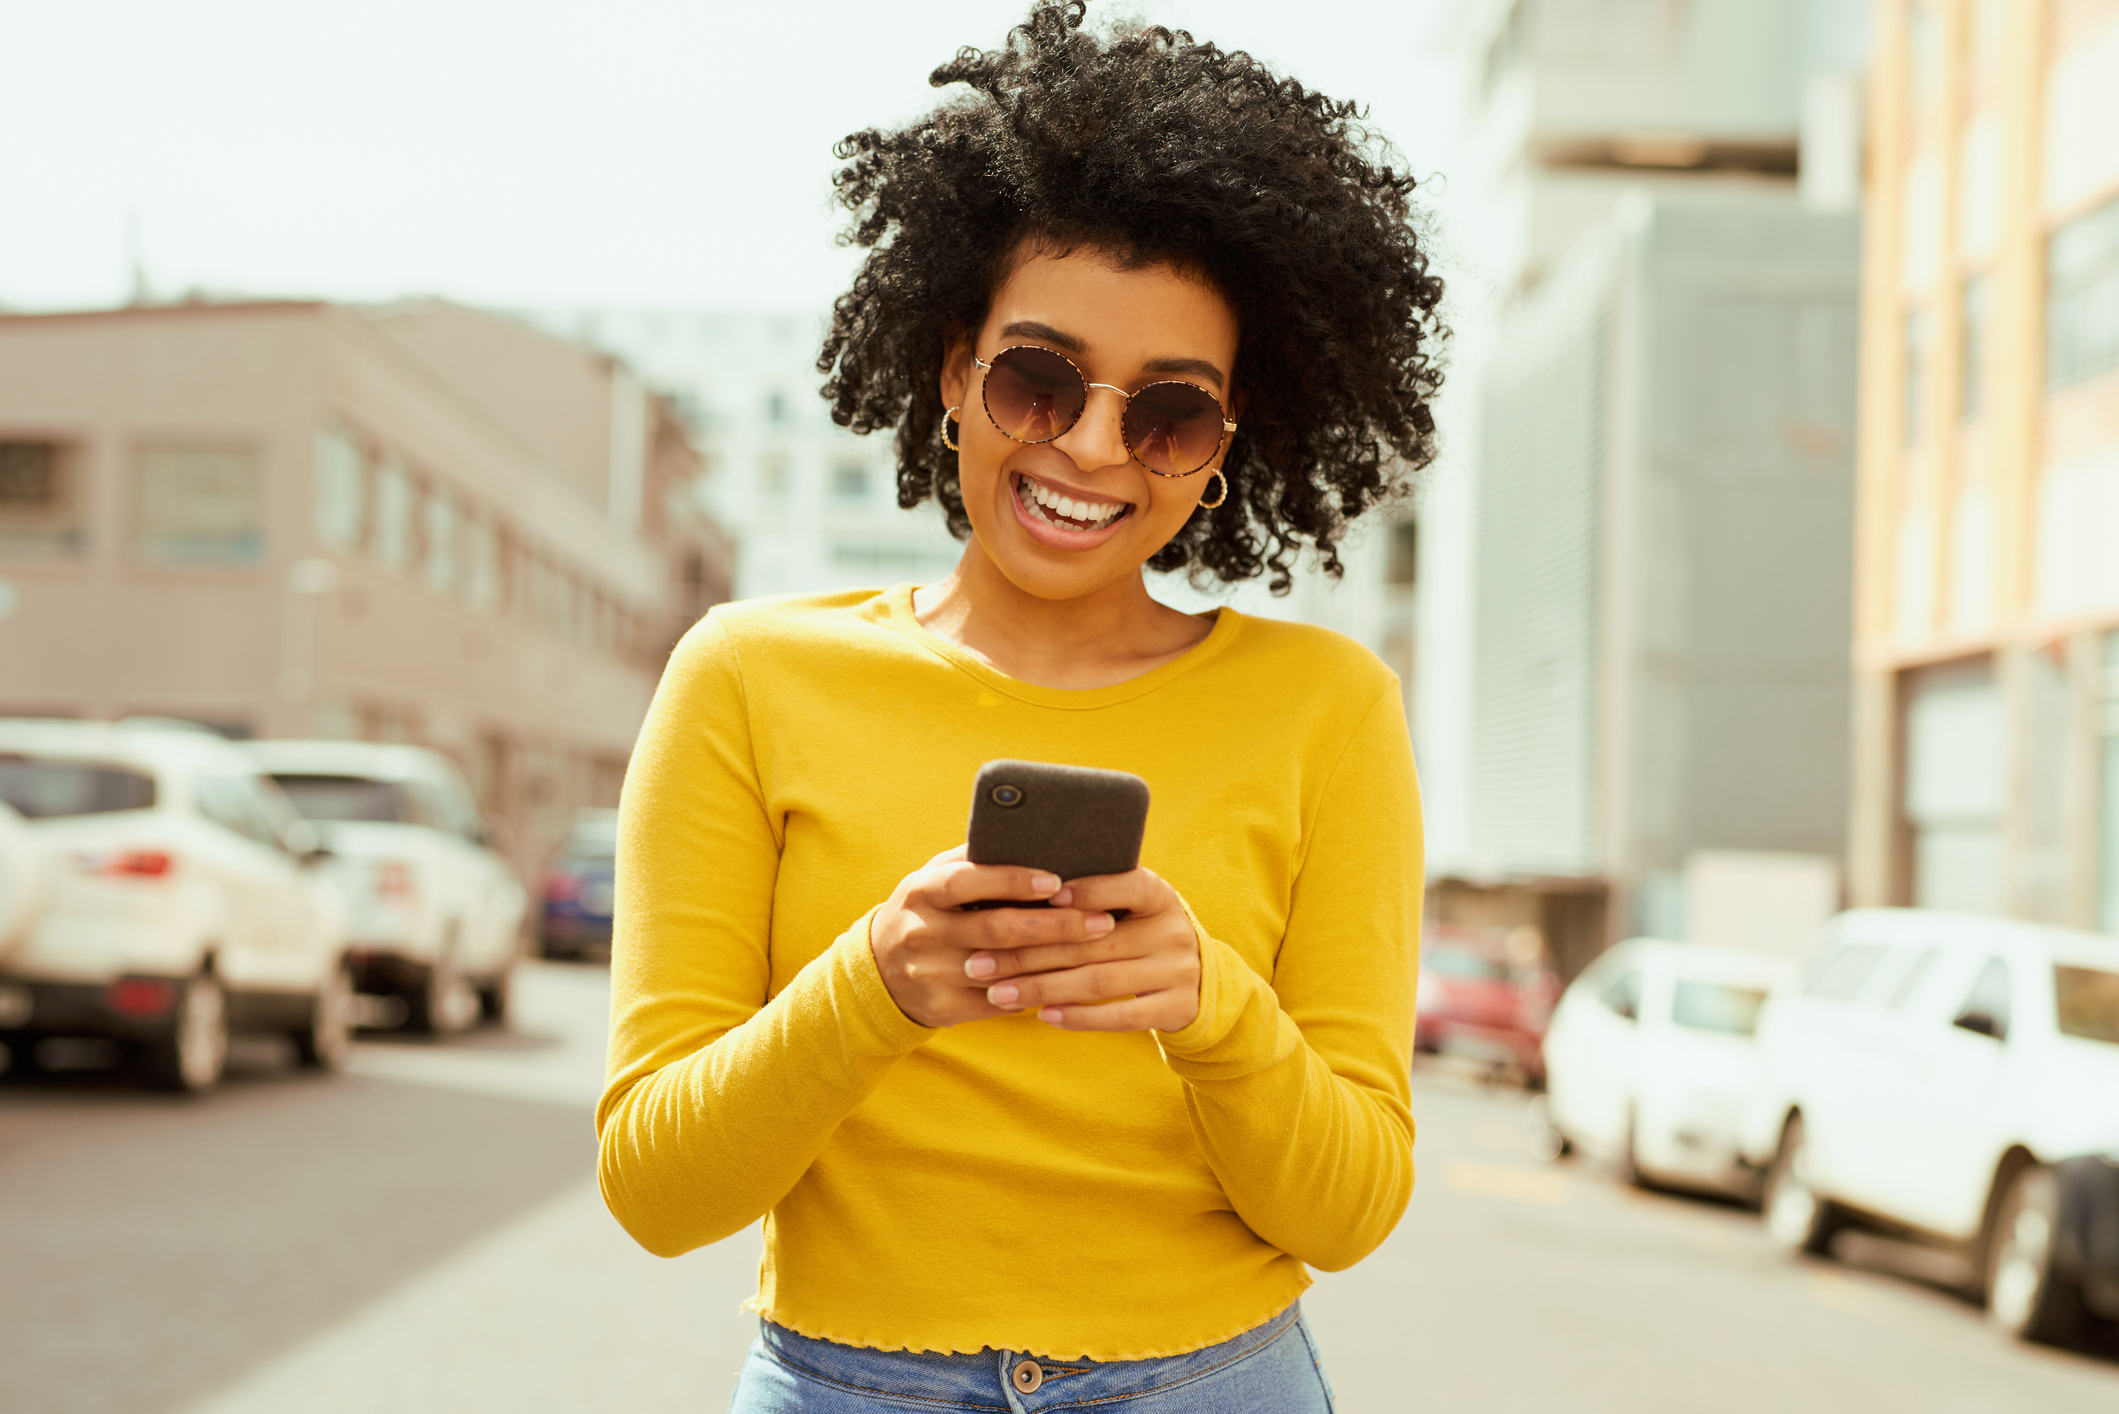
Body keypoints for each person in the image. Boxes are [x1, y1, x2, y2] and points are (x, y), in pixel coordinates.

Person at [597, 3, 1444, 1408]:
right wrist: (875, 981)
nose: (1092, 450)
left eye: (1167, 412)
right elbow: (656, 1189)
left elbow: (1348, 1212)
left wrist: (1207, 1002)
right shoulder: (745, 678)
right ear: (950, 370)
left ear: (1229, 446)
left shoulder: (1330, 706)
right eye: (1037, 379)